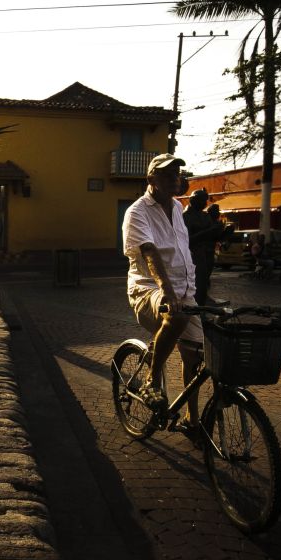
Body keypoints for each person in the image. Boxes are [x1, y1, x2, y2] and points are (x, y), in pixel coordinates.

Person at [122, 153, 203, 432]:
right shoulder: (137, 211)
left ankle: (192, 419)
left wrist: (189, 291)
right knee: (176, 319)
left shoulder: (179, 208)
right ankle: (151, 380)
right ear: (151, 179)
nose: (174, 179)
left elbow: (182, 252)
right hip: (148, 290)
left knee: (196, 356)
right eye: (167, 175)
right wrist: (167, 291)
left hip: (183, 292)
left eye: (176, 174)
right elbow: (149, 250)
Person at [182, 188, 219, 305]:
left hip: (206, 255)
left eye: (206, 200)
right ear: (193, 201)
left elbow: (212, 236)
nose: (205, 203)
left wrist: (223, 232)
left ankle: (202, 303)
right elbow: (186, 240)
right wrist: (207, 232)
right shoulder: (185, 216)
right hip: (192, 256)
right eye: (203, 200)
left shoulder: (205, 216)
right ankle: (194, 306)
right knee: (194, 284)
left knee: (204, 283)